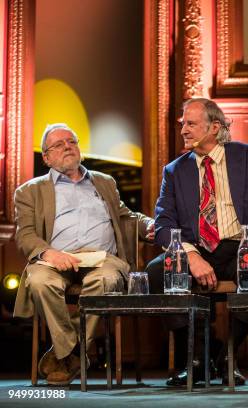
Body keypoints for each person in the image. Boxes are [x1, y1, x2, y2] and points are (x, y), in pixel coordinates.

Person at [146, 98, 248, 386]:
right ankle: (197, 358)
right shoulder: (175, 170)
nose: (183, 130)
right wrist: (190, 256)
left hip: (244, 246)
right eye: (182, 124)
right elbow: (164, 223)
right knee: (157, 271)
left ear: (214, 127)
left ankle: (227, 355)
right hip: (197, 248)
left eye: (190, 124)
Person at [13, 123, 154, 386]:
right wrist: (49, 252)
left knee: (106, 280)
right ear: (46, 157)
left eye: (71, 141)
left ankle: (63, 355)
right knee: (41, 281)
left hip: (103, 259)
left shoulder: (104, 182)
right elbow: (26, 234)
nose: (67, 147)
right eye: (58, 144)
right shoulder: (29, 191)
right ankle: (75, 352)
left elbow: (126, 216)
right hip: (56, 258)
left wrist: (150, 225)